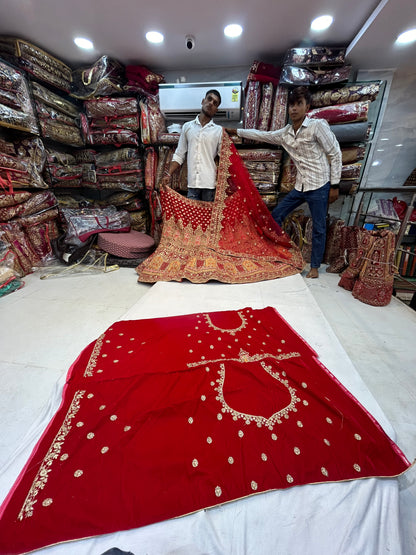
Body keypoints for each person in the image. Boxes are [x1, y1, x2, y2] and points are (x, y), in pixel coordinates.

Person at [226, 86, 342, 278]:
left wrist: (335, 185)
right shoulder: (286, 133)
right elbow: (263, 135)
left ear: (307, 107)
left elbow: (335, 153)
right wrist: (235, 131)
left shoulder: (317, 126)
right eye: (291, 104)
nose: (294, 108)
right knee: (276, 216)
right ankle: (275, 251)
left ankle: (314, 267)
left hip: (319, 185)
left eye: (299, 104)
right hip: (301, 185)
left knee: (319, 227)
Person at [161, 89, 223, 202]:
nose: (211, 103)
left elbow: (223, 159)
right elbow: (179, 154)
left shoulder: (219, 131)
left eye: (215, 103)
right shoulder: (187, 127)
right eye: (209, 99)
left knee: (207, 219)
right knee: (192, 220)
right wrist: (168, 174)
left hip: (210, 186)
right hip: (192, 185)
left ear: (216, 110)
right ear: (203, 101)